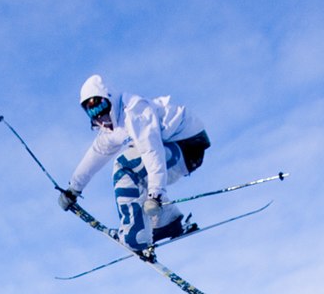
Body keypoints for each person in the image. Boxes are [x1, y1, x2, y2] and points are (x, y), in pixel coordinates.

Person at [57, 74, 211, 254]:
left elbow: (151, 151)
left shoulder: (134, 112)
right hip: (175, 149)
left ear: (110, 99)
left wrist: (156, 194)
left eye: (101, 106)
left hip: (187, 146)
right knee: (136, 172)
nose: (99, 114)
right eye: (91, 111)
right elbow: (95, 155)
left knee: (125, 167)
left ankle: (135, 236)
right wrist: (73, 188)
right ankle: (166, 221)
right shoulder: (111, 128)